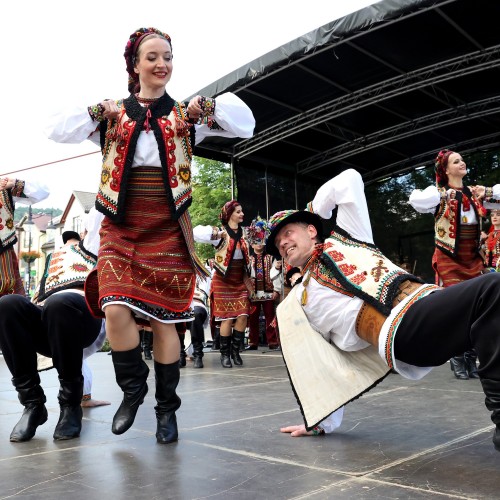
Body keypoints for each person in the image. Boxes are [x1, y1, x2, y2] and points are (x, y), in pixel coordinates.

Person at [46, 27, 255, 443]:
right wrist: (96, 110)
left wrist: (206, 106)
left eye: (168, 57)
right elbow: (56, 128)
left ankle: (166, 410)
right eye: (152, 57)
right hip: (120, 227)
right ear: (135, 65)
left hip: (166, 225)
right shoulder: (111, 116)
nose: (162, 64)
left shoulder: (185, 116)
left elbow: (245, 125)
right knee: (114, 308)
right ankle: (133, 387)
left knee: (166, 322)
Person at [266, 168, 500, 452]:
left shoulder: (350, 238)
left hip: (426, 306)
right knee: (492, 288)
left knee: (493, 308)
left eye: (288, 233)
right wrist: (319, 422)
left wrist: (313, 209)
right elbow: (321, 364)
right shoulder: (303, 297)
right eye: (279, 244)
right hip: (400, 331)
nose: (284, 243)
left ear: (311, 230)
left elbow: (350, 179)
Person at [0, 227, 102, 442]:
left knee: (60, 303)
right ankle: (33, 404)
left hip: (84, 316)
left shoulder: (97, 248)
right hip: (49, 315)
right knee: (7, 305)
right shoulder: (53, 258)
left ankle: (70, 405)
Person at [409, 150, 487, 380]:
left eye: (462, 159)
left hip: (472, 258)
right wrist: (441, 193)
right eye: (456, 161)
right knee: (458, 308)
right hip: (449, 259)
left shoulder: (476, 193)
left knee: (477, 309)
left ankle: (471, 359)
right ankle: (456, 357)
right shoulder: (439, 195)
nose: (462, 162)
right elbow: (417, 199)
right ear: (445, 170)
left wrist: (486, 192)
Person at [194, 201, 251, 368]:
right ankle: (225, 355)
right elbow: (196, 233)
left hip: (239, 279)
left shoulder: (246, 233)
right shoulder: (221, 233)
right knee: (227, 319)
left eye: (242, 211)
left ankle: (235, 352)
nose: (242, 214)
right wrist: (216, 234)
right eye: (238, 212)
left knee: (243, 316)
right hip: (222, 281)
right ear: (230, 214)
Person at [0, 176, 49, 297]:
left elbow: (42, 192)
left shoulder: (4, 189)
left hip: (4, 264)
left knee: (10, 304)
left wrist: (14, 183)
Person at [245, 216, 280, 350]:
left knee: (270, 318)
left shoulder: (271, 258)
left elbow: (276, 276)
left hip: (268, 292)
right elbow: (246, 276)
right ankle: (253, 342)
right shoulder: (248, 259)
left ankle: (273, 342)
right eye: (256, 241)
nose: (259, 243)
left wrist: (276, 290)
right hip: (253, 293)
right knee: (252, 319)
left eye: (261, 241)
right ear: (252, 244)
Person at [186, 272, 212, 368]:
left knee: (195, 314)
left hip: (197, 304)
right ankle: (180, 354)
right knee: (175, 315)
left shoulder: (204, 275)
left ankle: (198, 354)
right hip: (181, 304)